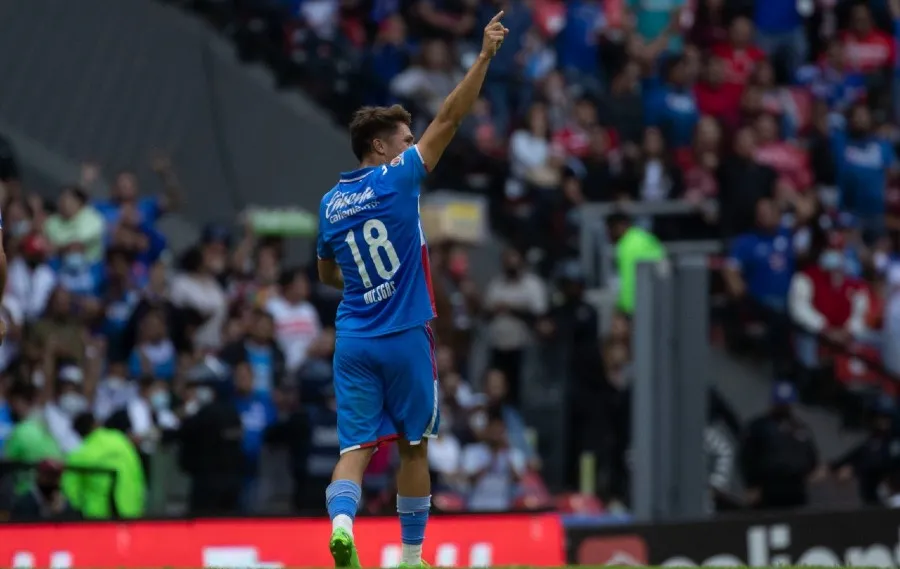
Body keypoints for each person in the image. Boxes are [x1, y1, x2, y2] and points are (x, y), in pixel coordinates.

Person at [313, 13, 509, 568]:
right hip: (404, 334)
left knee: (353, 448)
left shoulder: (330, 203)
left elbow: (328, 275)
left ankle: (344, 526)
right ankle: (410, 557)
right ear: (380, 146)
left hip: (353, 338)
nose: (410, 144)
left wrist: (364, 283)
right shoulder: (399, 175)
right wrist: (484, 58)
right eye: (403, 138)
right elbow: (450, 116)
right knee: (414, 445)